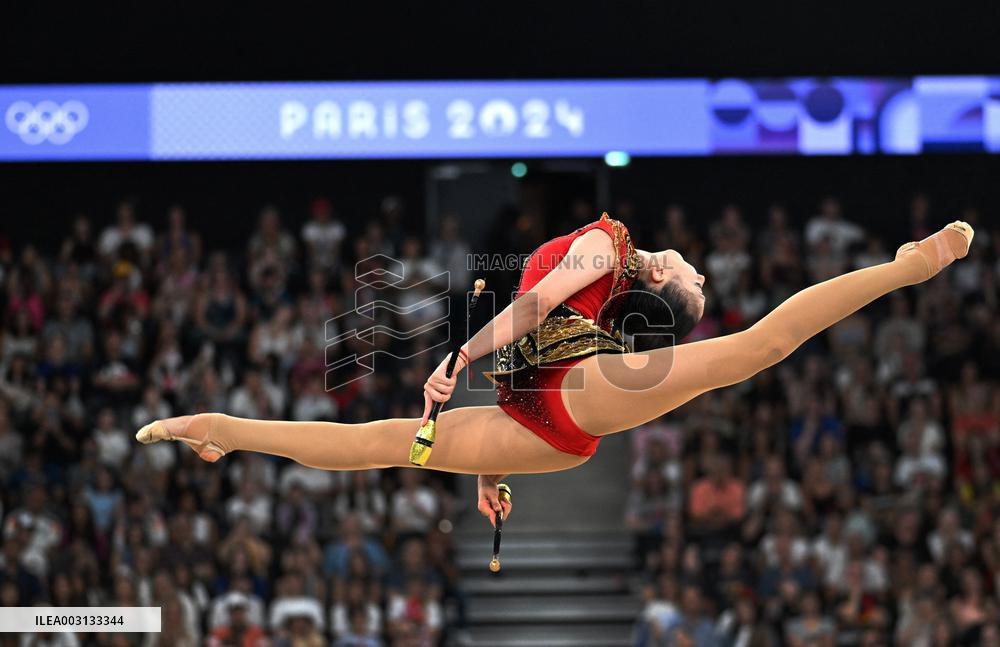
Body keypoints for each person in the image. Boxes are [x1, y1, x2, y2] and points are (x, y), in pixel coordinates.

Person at [136, 213, 975, 528]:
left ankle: (904, 266)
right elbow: (534, 316)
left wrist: (462, 363)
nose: (702, 275)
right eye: (700, 280)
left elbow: (534, 317)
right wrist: (482, 428)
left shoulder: (608, 246)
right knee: (377, 444)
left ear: (662, 277)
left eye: (696, 281)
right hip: (550, 410)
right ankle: (217, 430)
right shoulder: (607, 245)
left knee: (757, 348)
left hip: (557, 398)